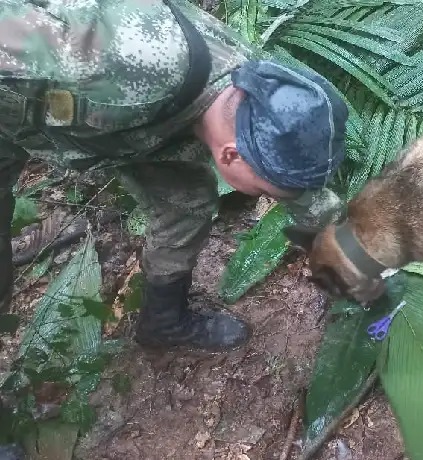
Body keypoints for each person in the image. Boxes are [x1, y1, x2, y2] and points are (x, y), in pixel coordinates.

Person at [0, 0, 349, 352]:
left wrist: (349, 249)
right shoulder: (104, 62)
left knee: (187, 202)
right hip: (17, 108)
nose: (266, 196)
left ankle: (163, 323)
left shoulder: (260, 92)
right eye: (264, 191)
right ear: (231, 154)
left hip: (133, 128)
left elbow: (297, 183)